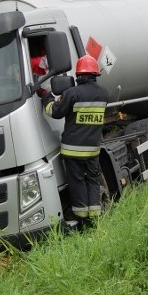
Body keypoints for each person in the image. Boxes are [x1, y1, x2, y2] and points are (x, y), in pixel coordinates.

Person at [37, 55, 110, 226]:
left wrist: (46, 97)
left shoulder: (71, 93)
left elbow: (54, 112)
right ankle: (95, 217)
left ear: (78, 76)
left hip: (72, 149)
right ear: (94, 75)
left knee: (77, 182)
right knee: (92, 180)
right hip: (93, 149)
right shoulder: (104, 93)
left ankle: (81, 219)